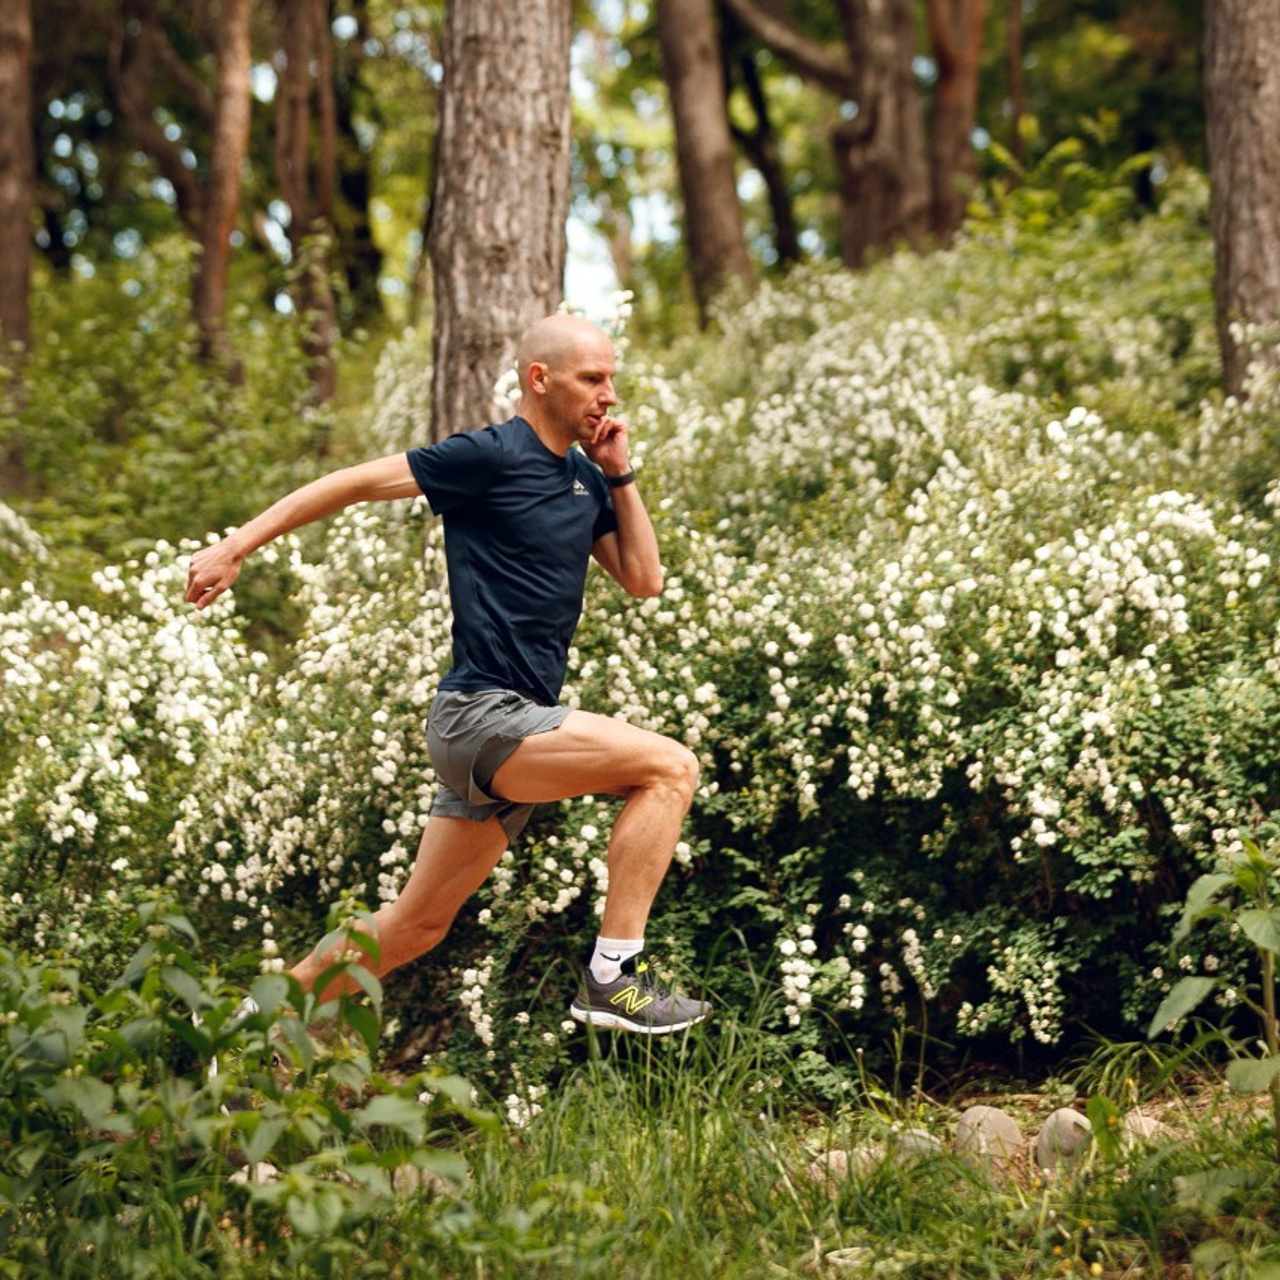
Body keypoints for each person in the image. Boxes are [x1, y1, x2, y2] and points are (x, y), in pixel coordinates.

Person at [185, 313, 710, 1035]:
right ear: (539, 379)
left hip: (512, 724)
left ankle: (243, 1029)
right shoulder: (490, 457)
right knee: (669, 770)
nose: (608, 395)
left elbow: (644, 579)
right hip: (484, 717)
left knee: (414, 926)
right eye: (593, 378)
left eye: (611, 378)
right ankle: (614, 975)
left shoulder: (584, 479)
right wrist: (236, 545)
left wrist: (619, 475)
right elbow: (354, 483)